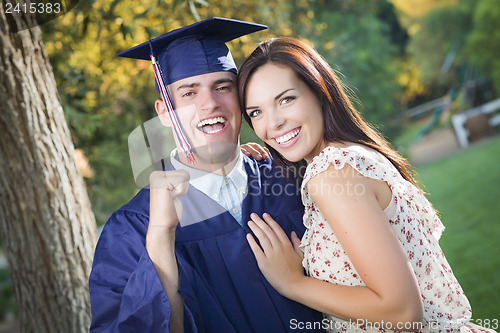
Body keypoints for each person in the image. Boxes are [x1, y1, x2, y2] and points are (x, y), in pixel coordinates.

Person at [88, 19, 324, 332]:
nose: (210, 103)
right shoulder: (133, 228)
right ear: (164, 113)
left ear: (240, 100)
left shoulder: (295, 178)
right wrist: (160, 238)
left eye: (222, 87)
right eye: (189, 93)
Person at [238, 37, 474, 333]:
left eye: (286, 99)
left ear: (319, 91)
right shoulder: (354, 155)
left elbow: (402, 313)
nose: (272, 124)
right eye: (256, 112)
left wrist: (293, 283)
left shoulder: (332, 171)